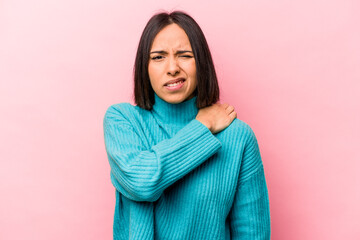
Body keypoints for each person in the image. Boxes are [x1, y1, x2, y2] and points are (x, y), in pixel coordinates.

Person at [103, 10, 271, 240]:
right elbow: (142, 183)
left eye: (184, 55)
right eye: (158, 57)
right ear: (145, 66)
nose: (172, 68)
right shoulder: (123, 121)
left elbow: (252, 234)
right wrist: (203, 127)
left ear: (201, 63)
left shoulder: (238, 137)